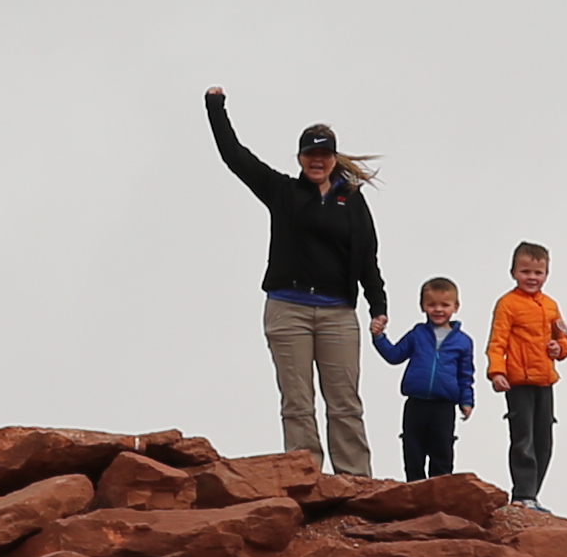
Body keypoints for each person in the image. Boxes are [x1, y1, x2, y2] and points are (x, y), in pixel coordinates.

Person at [203, 88, 384, 478]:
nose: (317, 162)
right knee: (298, 402)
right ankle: (306, 478)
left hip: (337, 312)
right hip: (289, 308)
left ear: (334, 159)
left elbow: (367, 254)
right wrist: (215, 107)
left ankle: (355, 480)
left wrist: (378, 305)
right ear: (300, 158)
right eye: (310, 156)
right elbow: (236, 157)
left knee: (345, 402)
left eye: (324, 156)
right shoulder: (282, 191)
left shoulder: (351, 199)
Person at [488, 240, 567, 510]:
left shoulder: (550, 306)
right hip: (518, 381)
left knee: (544, 437)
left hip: (545, 381)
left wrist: (560, 348)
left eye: (538, 272)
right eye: (525, 272)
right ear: (513, 272)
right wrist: (496, 372)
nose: (532, 278)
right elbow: (497, 341)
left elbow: (564, 338)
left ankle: (533, 495)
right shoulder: (507, 304)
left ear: (547, 274)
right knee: (522, 436)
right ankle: (522, 494)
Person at [375, 278, 477, 481]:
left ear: (456, 307)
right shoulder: (417, 334)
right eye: (432, 304)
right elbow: (395, 355)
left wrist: (467, 401)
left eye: (445, 305)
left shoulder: (463, 342)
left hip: (444, 405)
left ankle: (439, 492)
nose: (438, 309)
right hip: (416, 402)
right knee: (412, 446)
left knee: (442, 447)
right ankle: (414, 489)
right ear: (423, 306)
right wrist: (379, 337)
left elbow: (466, 375)